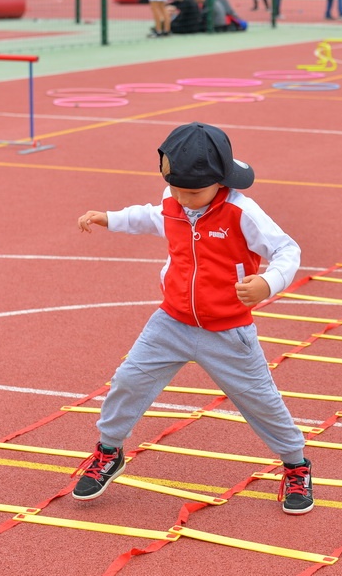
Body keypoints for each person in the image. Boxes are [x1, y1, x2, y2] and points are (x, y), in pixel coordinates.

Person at [71, 122, 314, 516]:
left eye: (194, 192)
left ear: (220, 181)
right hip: (172, 322)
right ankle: (108, 451)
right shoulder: (176, 200)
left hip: (228, 331)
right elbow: (151, 217)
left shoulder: (241, 211)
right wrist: (109, 218)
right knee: (128, 381)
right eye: (178, 191)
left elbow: (288, 250)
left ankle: (296, 464)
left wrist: (268, 283)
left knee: (260, 401)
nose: (184, 200)